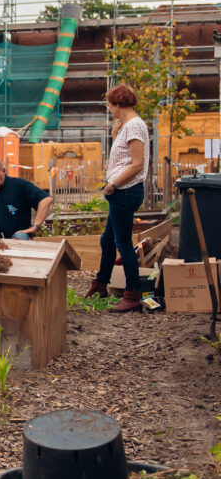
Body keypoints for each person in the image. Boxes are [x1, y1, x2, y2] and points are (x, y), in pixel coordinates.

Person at [85, 84, 148, 313]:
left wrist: (113, 184)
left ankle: (132, 295)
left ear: (118, 103)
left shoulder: (133, 126)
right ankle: (101, 284)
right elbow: (122, 158)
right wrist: (114, 135)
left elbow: (137, 163)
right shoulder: (127, 127)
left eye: (109, 104)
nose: (108, 108)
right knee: (107, 240)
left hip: (125, 191)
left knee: (123, 243)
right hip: (122, 191)